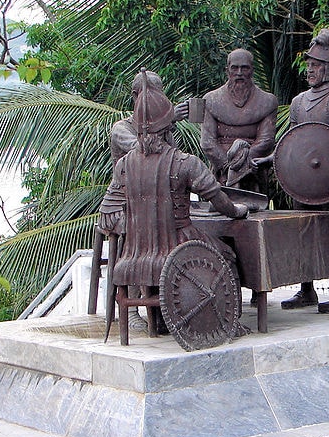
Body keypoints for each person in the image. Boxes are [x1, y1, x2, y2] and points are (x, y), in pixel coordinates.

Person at [99, 71, 249, 333]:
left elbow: (107, 205)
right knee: (226, 255)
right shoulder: (182, 162)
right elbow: (217, 197)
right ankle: (228, 323)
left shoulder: (124, 166)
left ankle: (162, 315)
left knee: (145, 237)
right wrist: (236, 211)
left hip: (144, 227)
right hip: (155, 227)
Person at [280, 29, 329, 314]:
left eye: (316, 65)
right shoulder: (299, 102)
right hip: (302, 183)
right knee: (303, 235)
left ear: (328, 68)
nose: (310, 70)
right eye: (309, 64)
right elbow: (291, 142)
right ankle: (306, 289)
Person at [107, 71, 188, 330]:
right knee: (142, 226)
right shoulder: (122, 128)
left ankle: (168, 303)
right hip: (126, 205)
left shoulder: (163, 130)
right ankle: (131, 309)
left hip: (158, 201)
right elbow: (143, 151)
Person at [201, 48, 278, 194]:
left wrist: (243, 163)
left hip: (253, 168)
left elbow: (266, 140)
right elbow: (207, 142)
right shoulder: (211, 100)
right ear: (227, 70)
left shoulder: (268, 101)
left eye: (245, 68)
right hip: (221, 172)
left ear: (252, 70)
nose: (239, 73)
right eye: (234, 68)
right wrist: (228, 166)